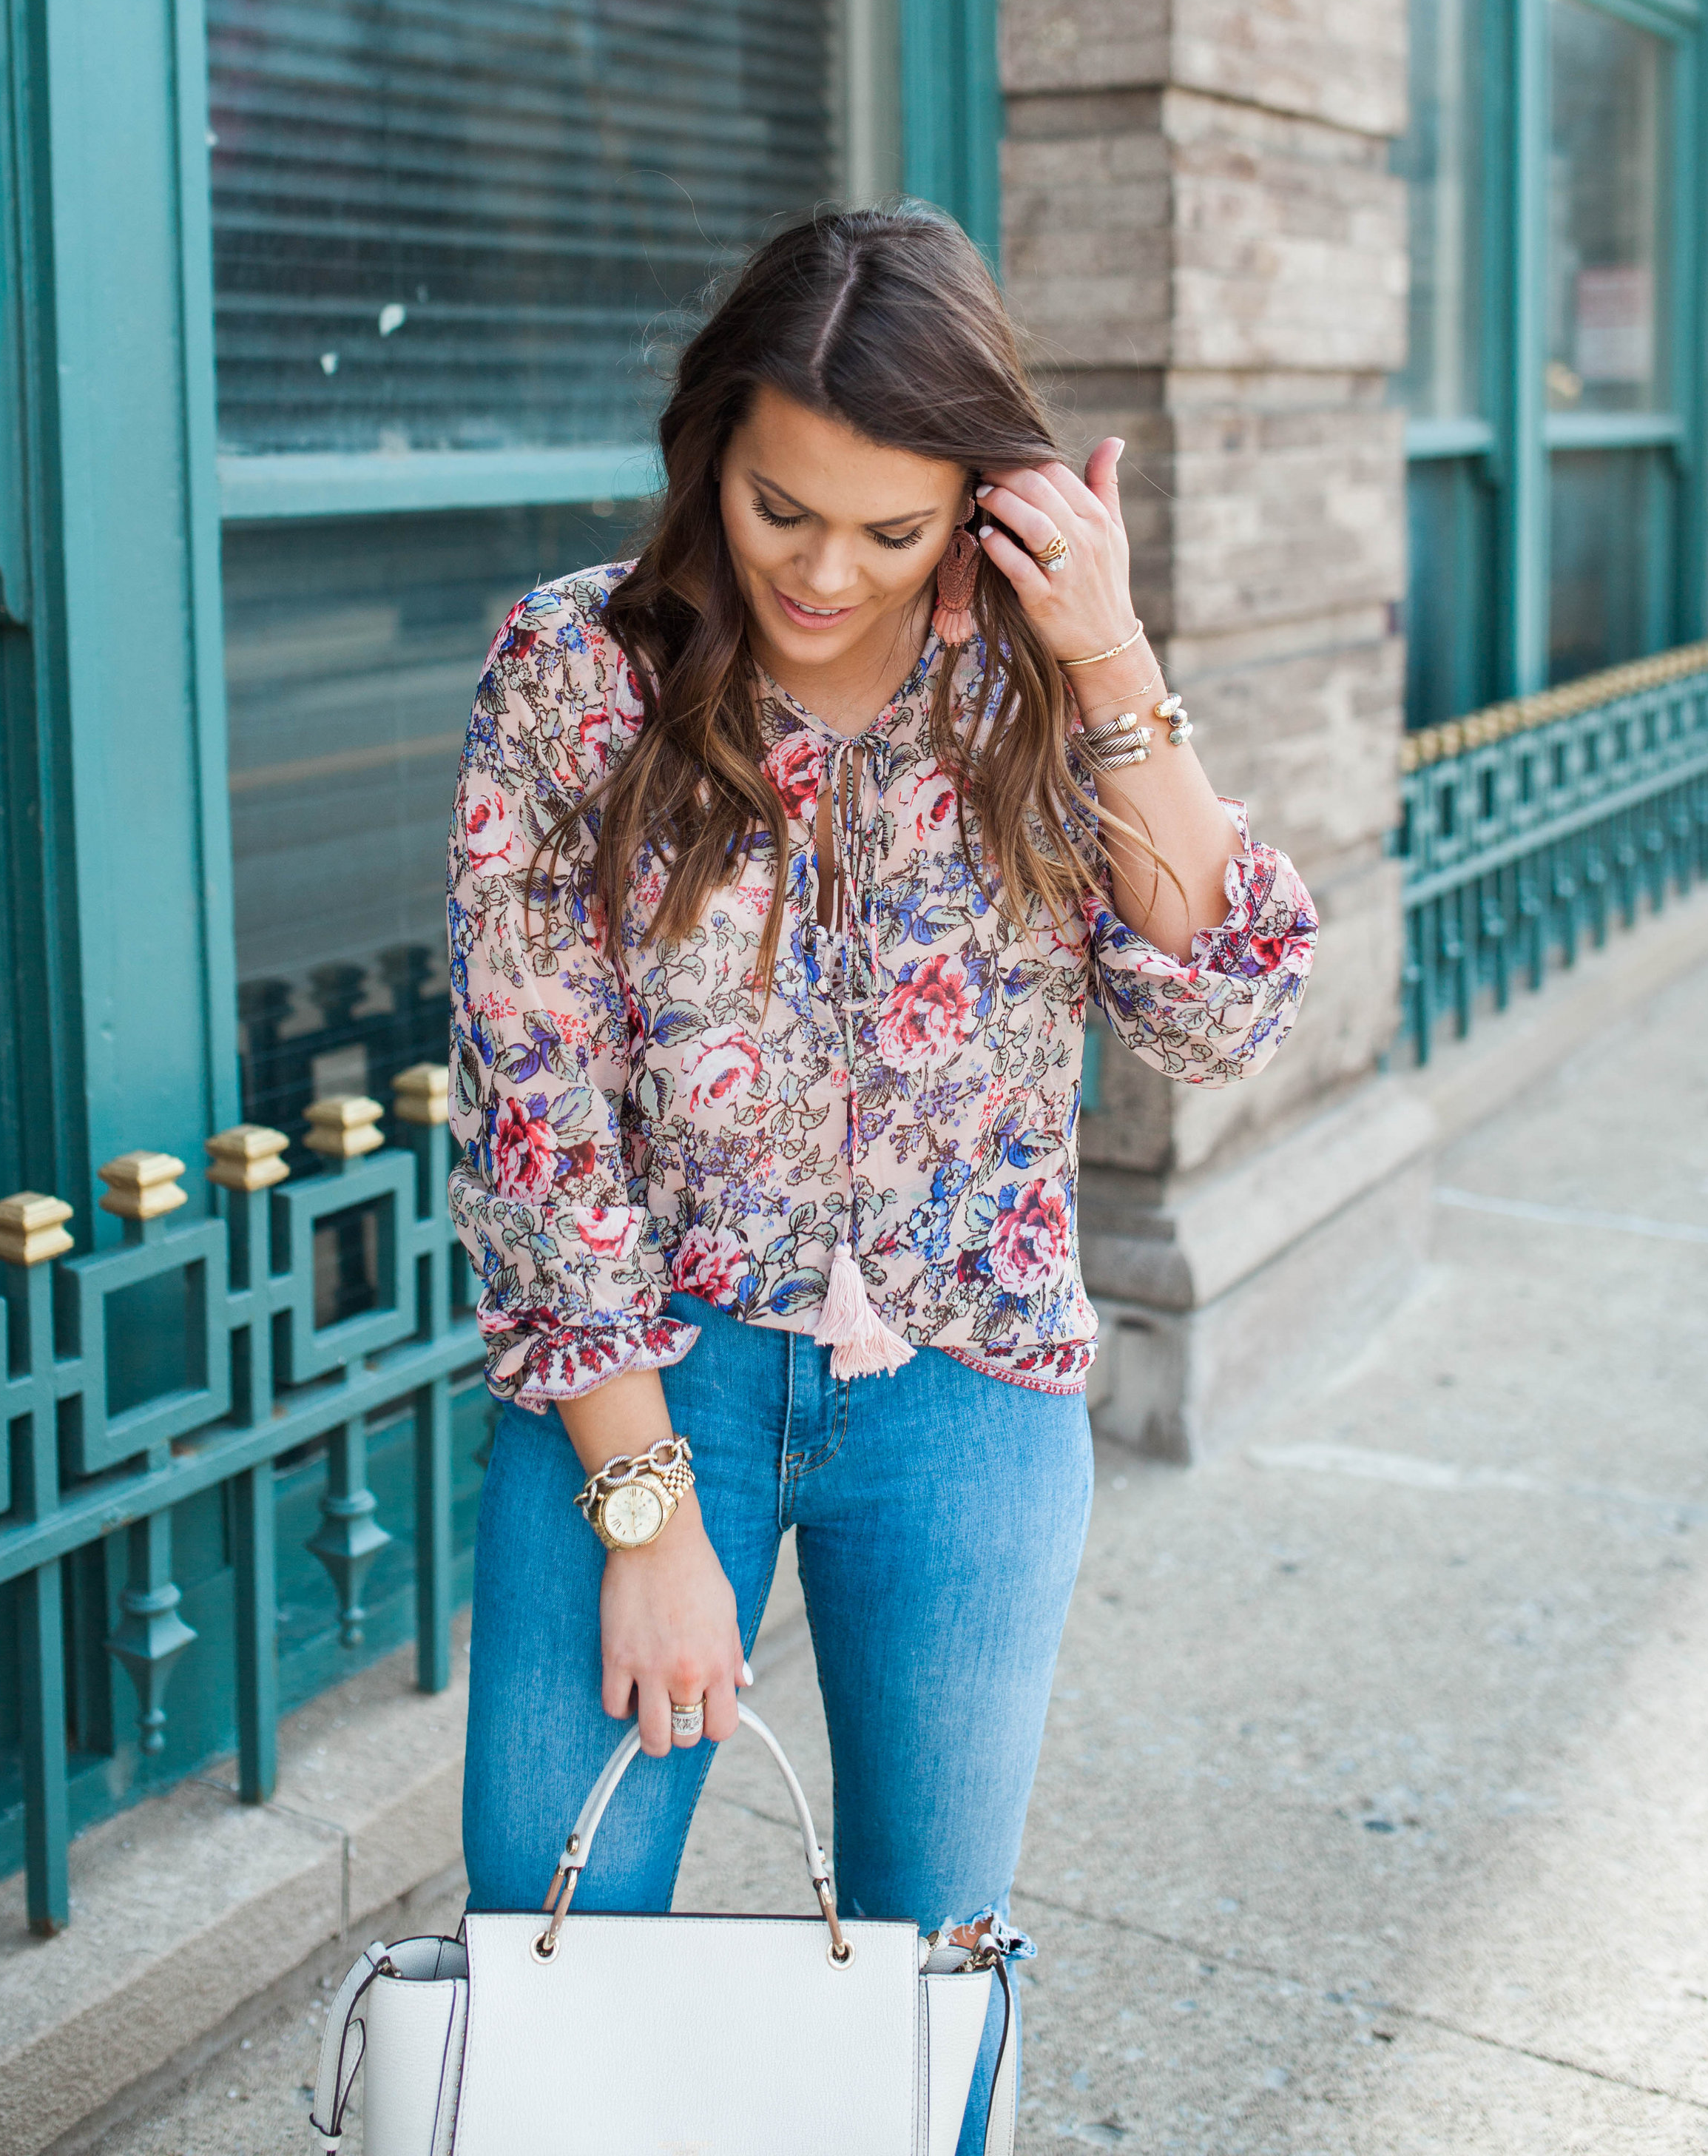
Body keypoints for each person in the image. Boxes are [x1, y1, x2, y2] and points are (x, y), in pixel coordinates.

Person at [448, 206, 1315, 2149]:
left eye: (891, 528)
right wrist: (645, 1509)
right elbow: (533, 1114)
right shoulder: (574, 676)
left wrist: (1106, 656)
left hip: (964, 1391)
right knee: (552, 1924)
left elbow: (1226, 1012)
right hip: (635, 1385)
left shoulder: (1028, 687)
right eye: (779, 510)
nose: (824, 572)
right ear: (709, 454)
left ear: (973, 502)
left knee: (935, 1966)